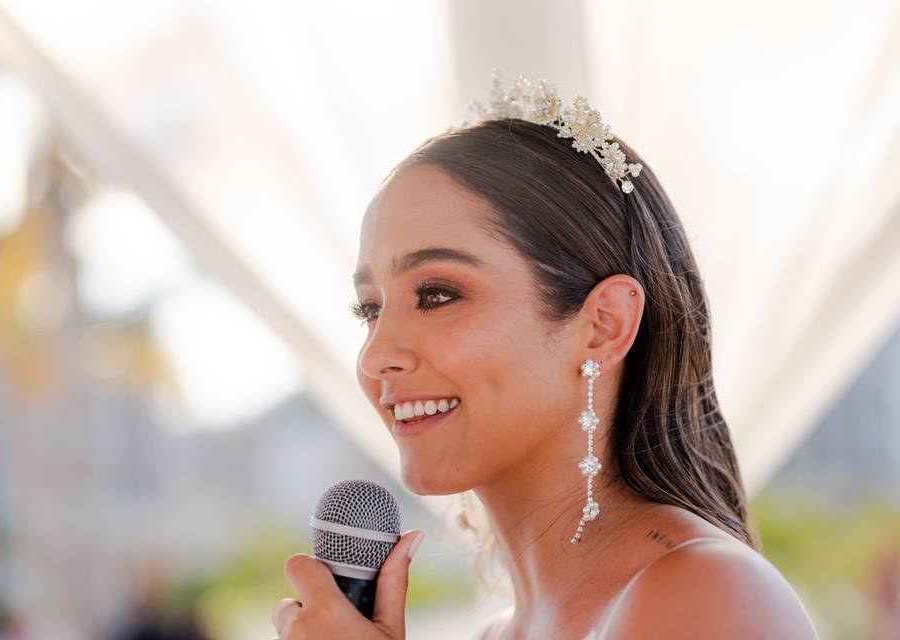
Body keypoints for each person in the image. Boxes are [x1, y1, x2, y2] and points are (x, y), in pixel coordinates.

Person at [272, 71, 820, 639]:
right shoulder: (495, 634)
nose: (376, 355)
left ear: (603, 326)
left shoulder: (708, 593)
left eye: (436, 295)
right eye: (370, 309)